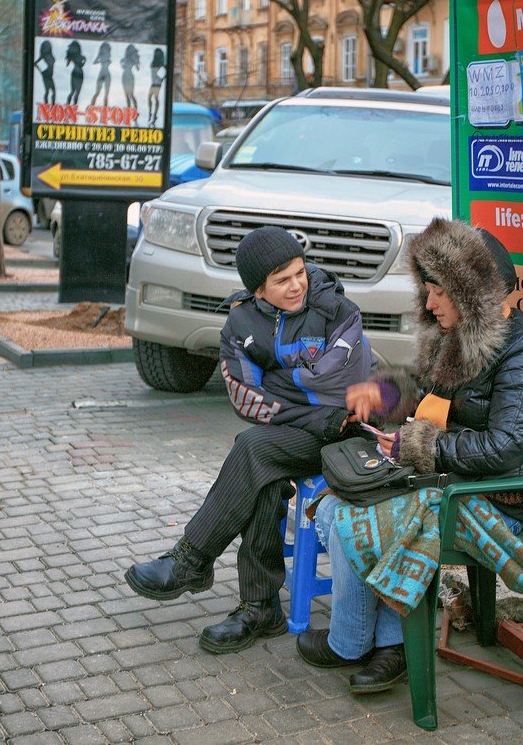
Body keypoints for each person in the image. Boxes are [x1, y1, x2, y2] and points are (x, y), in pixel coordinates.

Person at [299, 217, 523, 693]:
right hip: (457, 481)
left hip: (500, 501)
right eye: (428, 288)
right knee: (337, 507)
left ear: (474, 294)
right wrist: (385, 392)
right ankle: (386, 643)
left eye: (439, 290)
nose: (429, 301)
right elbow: (428, 393)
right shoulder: (461, 338)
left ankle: (361, 642)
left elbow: (504, 450)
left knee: (343, 518)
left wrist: (416, 446)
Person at [125, 226, 375, 654]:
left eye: (299, 272)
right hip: (299, 433)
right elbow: (246, 399)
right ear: (258, 288)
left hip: (349, 437)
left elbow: (339, 384)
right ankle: (259, 608)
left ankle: (194, 562)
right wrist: (307, 403)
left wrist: (278, 382)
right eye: (282, 280)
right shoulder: (240, 323)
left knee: (253, 448)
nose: (297, 285)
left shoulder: (338, 310)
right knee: (262, 467)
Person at [36, 41, 57, 105]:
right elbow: (35, 63)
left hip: (50, 76)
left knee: (53, 91)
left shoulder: (50, 55)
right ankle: (46, 105)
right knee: (47, 91)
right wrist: (41, 71)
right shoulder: (43, 56)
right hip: (46, 76)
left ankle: (52, 105)